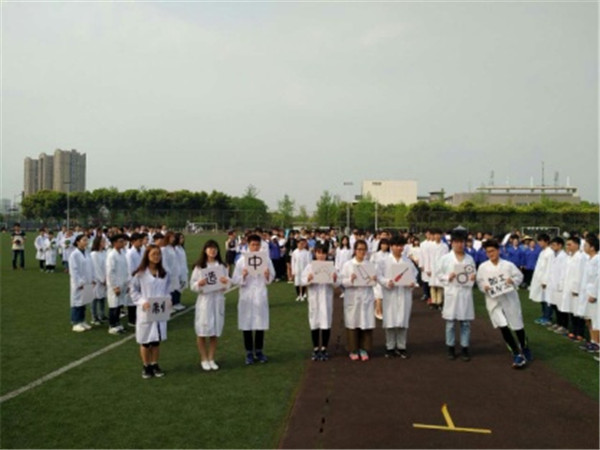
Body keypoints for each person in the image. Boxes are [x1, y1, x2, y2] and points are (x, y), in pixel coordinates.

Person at [476, 239, 532, 368]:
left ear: (498, 251)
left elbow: (519, 276)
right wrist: (484, 287)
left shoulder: (508, 265)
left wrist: (512, 281)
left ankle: (524, 346)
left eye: (493, 251)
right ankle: (516, 353)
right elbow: (480, 282)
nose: (491, 254)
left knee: (517, 325)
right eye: (488, 252)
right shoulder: (483, 267)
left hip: (509, 298)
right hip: (494, 300)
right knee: (503, 326)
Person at [232, 234, 275, 365]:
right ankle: (249, 352)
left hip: (260, 294)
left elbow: (272, 277)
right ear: (248, 245)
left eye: (257, 245)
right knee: (247, 324)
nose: (255, 247)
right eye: (253, 245)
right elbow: (235, 279)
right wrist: (243, 276)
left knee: (260, 324)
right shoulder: (241, 261)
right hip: (246, 295)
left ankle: (259, 351)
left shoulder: (266, 260)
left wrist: (267, 275)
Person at [130, 245, 170, 379]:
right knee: (145, 341)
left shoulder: (164, 273)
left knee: (156, 340)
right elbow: (133, 291)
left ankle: (155, 364)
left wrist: (168, 299)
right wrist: (142, 302)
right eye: (153, 254)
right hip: (146, 310)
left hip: (159, 309)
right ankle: (146, 365)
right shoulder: (140, 274)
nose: (156, 257)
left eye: (158, 254)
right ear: (147, 256)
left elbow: (167, 290)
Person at [190, 240, 230, 371]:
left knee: (215, 332)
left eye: (215, 248)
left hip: (217, 300)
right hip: (205, 301)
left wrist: (225, 283)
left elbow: (228, 283)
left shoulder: (222, 266)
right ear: (205, 250)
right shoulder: (199, 267)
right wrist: (199, 284)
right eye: (210, 248)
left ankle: (211, 358)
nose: (212, 251)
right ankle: (204, 358)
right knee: (202, 331)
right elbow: (192, 285)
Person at [438, 231, 477, 361]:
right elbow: (438, 275)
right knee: (450, 323)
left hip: (465, 293)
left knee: (465, 323)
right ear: (452, 243)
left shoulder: (469, 258)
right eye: (457, 242)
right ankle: (450, 347)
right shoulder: (445, 259)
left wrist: (473, 277)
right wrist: (447, 277)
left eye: (462, 242)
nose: (460, 244)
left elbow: (473, 273)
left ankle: (465, 348)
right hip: (452, 292)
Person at [377, 236, 417, 359]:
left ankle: (401, 346)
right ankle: (389, 347)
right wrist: (386, 282)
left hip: (404, 294)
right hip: (390, 294)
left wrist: (412, 283)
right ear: (391, 246)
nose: (399, 248)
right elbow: (378, 275)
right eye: (397, 246)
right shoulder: (384, 261)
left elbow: (414, 275)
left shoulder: (407, 261)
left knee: (402, 321)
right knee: (390, 321)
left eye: (401, 246)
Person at [340, 240, 377, 361]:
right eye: (359, 249)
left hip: (366, 297)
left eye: (364, 249)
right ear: (355, 250)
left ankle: (364, 349)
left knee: (365, 323)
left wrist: (373, 279)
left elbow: (375, 281)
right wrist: (350, 280)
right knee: (353, 323)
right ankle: (353, 349)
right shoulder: (348, 265)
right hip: (353, 297)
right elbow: (341, 281)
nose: (362, 252)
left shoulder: (370, 265)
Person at [301, 244, 339, 361]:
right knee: (314, 323)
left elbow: (337, 284)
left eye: (323, 253)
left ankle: (324, 349)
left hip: (326, 299)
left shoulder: (331, 267)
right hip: (314, 299)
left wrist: (334, 279)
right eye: (319, 253)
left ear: (326, 254)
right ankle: (316, 348)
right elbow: (302, 281)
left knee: (326, 323)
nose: (321, 255)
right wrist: (308, 279)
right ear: (315, 254)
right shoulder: (310, 267)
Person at [69, 234, 94, 332]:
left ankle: (82, 320)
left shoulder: (87, 253)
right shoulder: (74, 255)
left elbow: (91, 267)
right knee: (77, 303)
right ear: (78, 242)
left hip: (88, 281)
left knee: (84, 302)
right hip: (79, 283)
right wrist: (79, 282)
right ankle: (76, 323)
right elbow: (74, 270)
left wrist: (92, 279)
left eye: (87, 240)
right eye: (84, 240)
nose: (86, 242)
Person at [106, 234, 131, 334]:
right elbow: (110, 272)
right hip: (115, 285)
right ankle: (112, 325)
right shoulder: (112, 255)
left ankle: (117, 323)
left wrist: (127, 283)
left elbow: (126, 269)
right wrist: (114, 286)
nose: (123, 243)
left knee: (119, 305)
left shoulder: (122, 253)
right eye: (120, 241)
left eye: (123, 241)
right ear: (114, 243)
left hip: (123, 283)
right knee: (114, 306)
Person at [529, 233, 553, 326]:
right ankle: (544, 315)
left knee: (547, 299)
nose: (539, 243)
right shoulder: (542, 252)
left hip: (545, 280)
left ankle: (547, 317)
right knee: (542, 298)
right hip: (539, 279)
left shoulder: (550, 253)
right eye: (538, 241)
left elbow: (549, 268)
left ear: (546, 241)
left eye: (541, 241)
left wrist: (545, 281)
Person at [547, 237, 568, 333]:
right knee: (555, 305)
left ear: (560, 245)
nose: (552, 247)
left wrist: (561, 284)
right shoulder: (553, 255)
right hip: (553, 284)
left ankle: (564, 325)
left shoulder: (564, 257)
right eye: (551, 245)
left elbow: (564, 272)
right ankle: (559, 323)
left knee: (561, 307)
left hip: (560, 285)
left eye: (554, 245)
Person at [90, 236, 108, 326]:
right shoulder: (94, 254)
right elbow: (96, 268)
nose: (104, 243)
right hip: (96, 279)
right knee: (95, 298)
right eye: (102, 241)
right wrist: (102, 279)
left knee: (102, 298)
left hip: (105, 278)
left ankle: (102, 315)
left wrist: (107, 278)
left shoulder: (104, 253)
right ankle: (94, 317)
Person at [370, 238, 390, 320]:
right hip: (377, 277)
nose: (384, 246)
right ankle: (378, 311)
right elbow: (370, 265)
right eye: (382, 244)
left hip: (387, 277)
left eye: (386, 244)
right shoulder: (375, 255)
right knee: (379, 295)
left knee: (385, 295)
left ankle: (379, 310)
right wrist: (372, 274)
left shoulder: (390, 255)